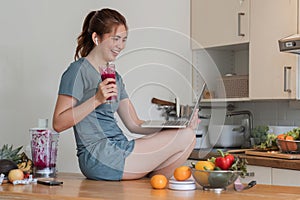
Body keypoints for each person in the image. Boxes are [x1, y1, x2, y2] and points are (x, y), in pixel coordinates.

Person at [53, 8, 199, 181]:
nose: (120, 46)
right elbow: (58, 123)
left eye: (123, 40)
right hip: (98, 155)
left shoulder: (115, 77)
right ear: (96, 38)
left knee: (187, 135)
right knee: (186, 137)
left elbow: (134, 124)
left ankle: (153, 182)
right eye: (115, 39)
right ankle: (152, 181)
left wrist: (175, 125)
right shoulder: (77, 71)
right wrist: (97, 99)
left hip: (119, 146)